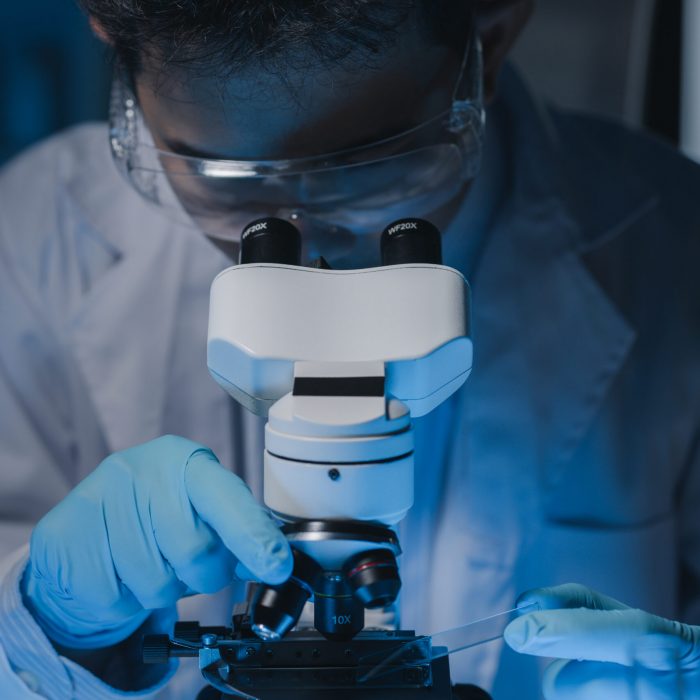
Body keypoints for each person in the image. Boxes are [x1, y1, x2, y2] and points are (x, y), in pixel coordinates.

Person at [0, 1, 698, 698]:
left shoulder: (675, 246)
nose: (306, 239)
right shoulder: (35, 244)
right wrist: (44, 622)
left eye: (367, 169)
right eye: (224, 180)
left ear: (492, 32)